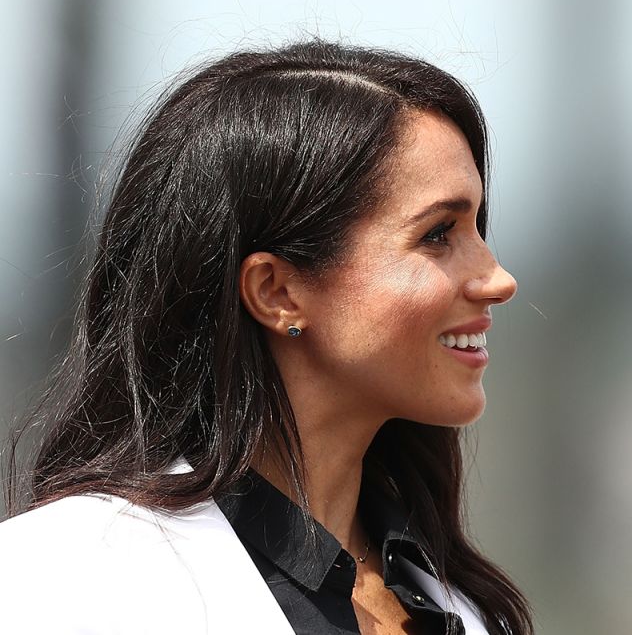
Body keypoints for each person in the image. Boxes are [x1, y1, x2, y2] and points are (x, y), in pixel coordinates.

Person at [1, 41, 532, 634]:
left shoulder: (464, 605)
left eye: (477, 228)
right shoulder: (70, 580)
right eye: (438, 234)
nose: (498, 279)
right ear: (277, 292)